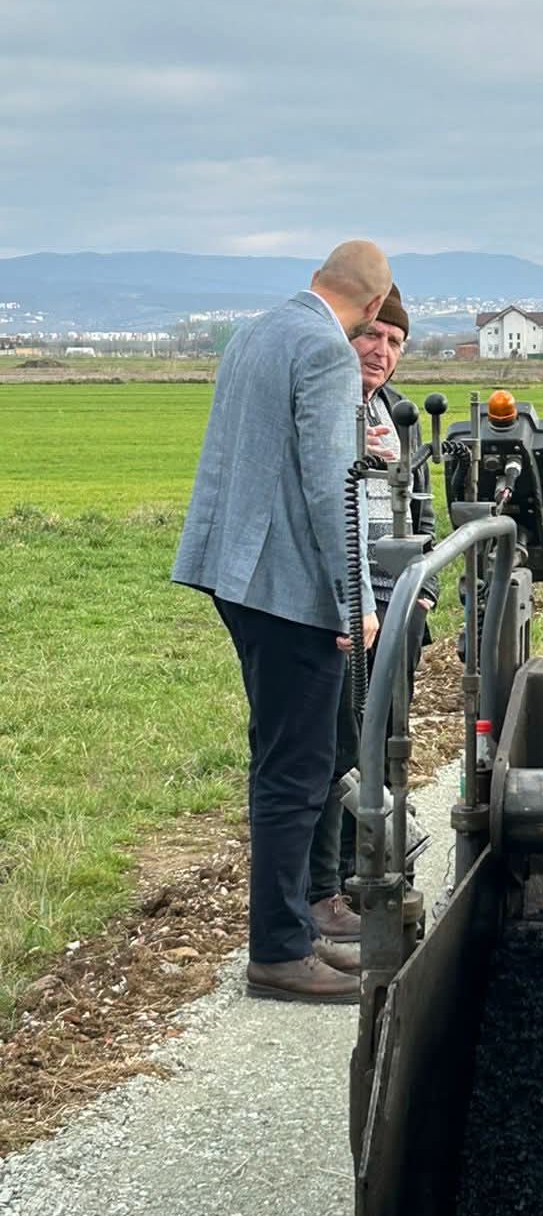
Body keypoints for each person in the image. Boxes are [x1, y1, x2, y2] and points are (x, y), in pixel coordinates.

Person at [172, 240, 392, 1003]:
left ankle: (293, 929)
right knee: (297, 771)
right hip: (289, 590)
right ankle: (278, 952)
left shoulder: (257, 333)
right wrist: (354, 600)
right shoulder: (328, 353)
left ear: (317, 282)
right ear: (371, 307)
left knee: (279, 758)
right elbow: (332, 486)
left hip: (233, 573)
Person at [307, 284, 438, 908]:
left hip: (398, 606)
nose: (381, 352)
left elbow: (425, 514)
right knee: (337, 751)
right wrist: (341, 604)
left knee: (388, 740)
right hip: (341, 615)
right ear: (347, 336)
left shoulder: (400, 416)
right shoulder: (325, 411)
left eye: (394, 342)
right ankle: (335, 883)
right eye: (372, 336)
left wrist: (423, 598)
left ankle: (387, 871)